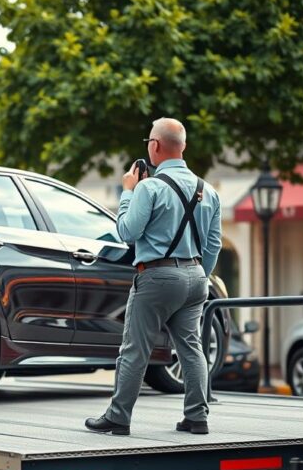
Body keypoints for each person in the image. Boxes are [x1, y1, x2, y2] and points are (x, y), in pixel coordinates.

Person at [85, 117, 222, 436]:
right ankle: (196, 417)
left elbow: (127, 232)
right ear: (183, 147)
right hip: (196, 277)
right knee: (191, 348)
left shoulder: (149, 188)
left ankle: (118, 417)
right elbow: (213, 245)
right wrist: (200, 274)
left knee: (135, 349)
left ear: (155, 146)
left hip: (157, 277)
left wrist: (127, 192)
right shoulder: (209, 191)